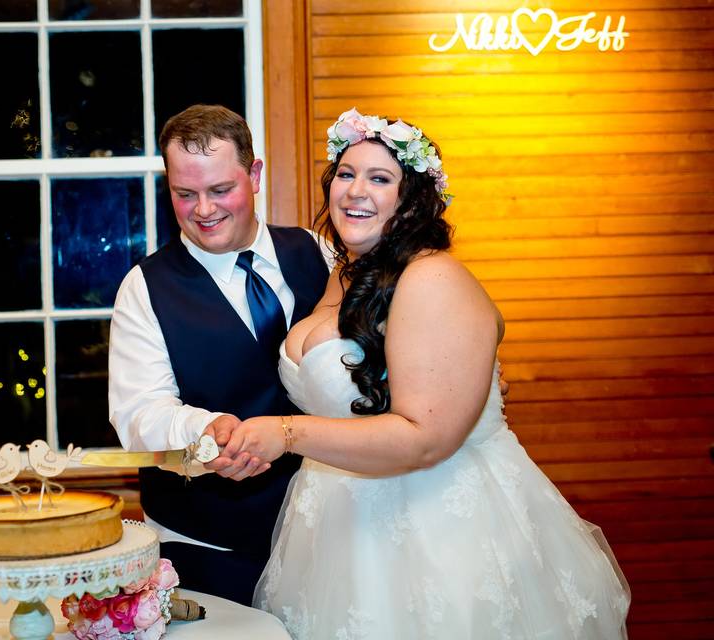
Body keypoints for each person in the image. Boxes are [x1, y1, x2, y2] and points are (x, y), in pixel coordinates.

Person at [221, 108, 631, 638]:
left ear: (412, 199)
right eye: (345, 174)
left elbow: (426, 437)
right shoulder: (346, 277)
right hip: (338, 529)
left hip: (436, 532)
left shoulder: (433, 277)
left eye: (379, 178)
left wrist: (286, 433)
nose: (354, 191)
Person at [107, 104, 331, 605]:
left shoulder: (319, 253)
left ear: (254, 175)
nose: (203, 210)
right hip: (207, 542)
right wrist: (205, 431)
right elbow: (137, 412)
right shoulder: (144, 288)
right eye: (185, 194)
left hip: (326, 529)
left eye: (219, 190)